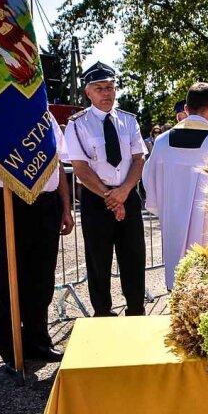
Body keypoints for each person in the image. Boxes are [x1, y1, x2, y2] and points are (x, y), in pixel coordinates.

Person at [0, 121, 74, 368]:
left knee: (42, 279)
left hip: (45, 202)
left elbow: (56, 165)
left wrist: (65, 206)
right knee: (6, 279)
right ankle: (12, 351)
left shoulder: (45, 115)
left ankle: (38, 341)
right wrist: (1, 130)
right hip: (4, 201)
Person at [64, 61, 147, 317]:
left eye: (110, 87)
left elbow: (138, 159)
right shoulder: (77, 124)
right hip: (96, 200)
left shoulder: (128, 121)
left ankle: (136, 310)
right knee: (98, 260)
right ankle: (102, 313)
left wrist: (123, 193)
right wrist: (111, 197)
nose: (106, 93)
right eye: (99, 88)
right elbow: (80, 167)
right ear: (88, 92)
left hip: (128, 195)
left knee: (133, 257)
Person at [143, 83, 208, 290]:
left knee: (178, 284)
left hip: (172, 226)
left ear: (186, 109)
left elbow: (149, 184)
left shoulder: (161, 143)